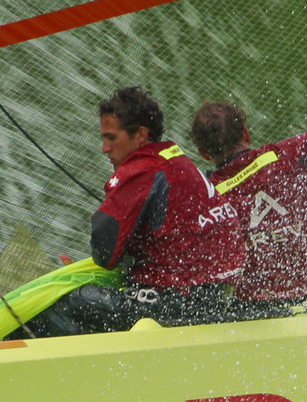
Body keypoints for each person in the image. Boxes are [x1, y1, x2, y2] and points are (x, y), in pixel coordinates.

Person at [27, 86, 244, 337]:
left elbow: (105, 255)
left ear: (140, 135)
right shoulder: (173, 156)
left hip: (179, 302)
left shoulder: (142, 170)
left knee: (60, 304)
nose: (104, 148)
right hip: (215, 294)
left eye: (111, 138)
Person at [190, 101, 307, 316]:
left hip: (257, 310)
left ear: (203, 153)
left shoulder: (208, 195)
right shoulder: (289, 154)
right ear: (246, 133)